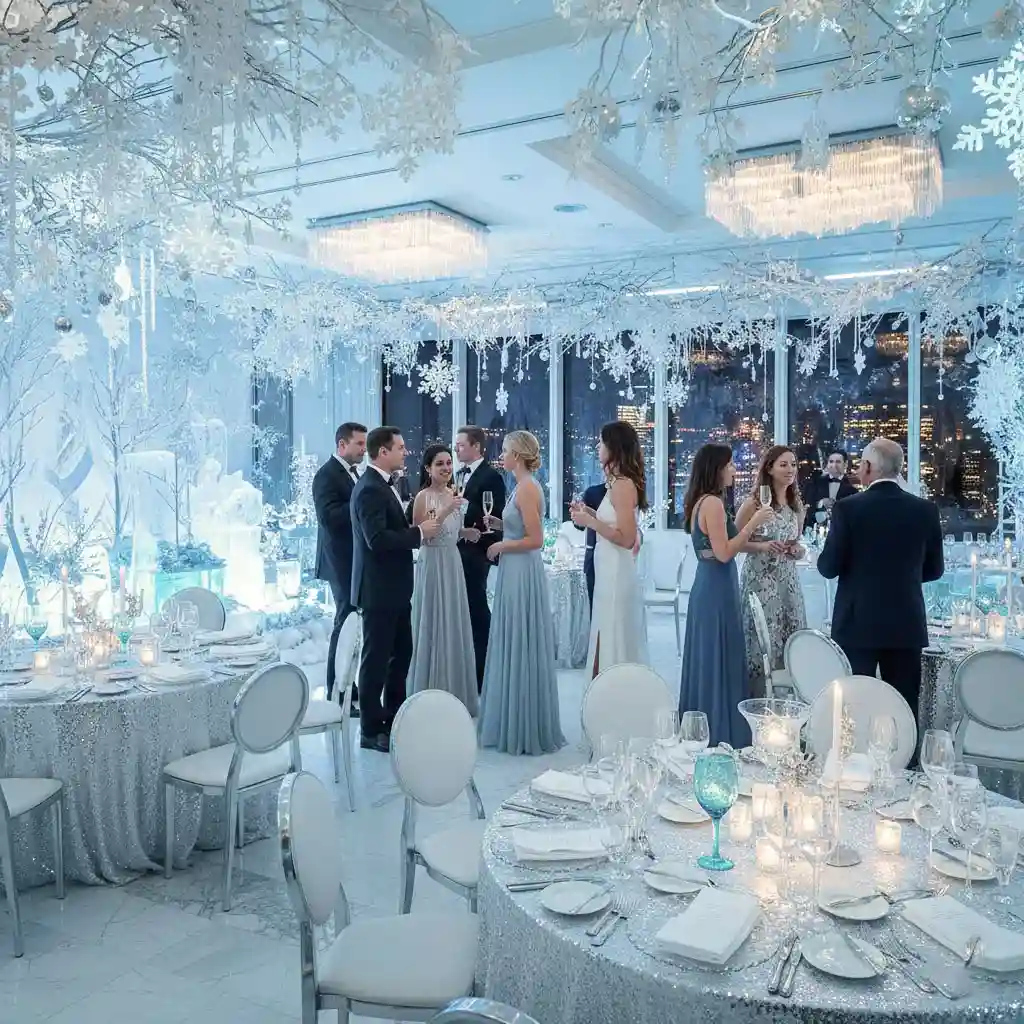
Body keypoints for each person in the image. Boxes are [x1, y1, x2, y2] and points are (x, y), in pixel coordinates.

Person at [817, 437, 944, 731]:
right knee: (903, 711)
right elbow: (935, 570)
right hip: (906, 623)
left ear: (869, 467)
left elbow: (828, 567)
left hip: (856, 622)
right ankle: (904, 773)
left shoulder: (848, 509)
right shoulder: (925, 510)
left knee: (853, 710)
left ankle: (853, 770)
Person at [351, 426, 442, 752]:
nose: (406, 452)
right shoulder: (370, 490)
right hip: (378, 591)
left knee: (400, 654)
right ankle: (370, 730)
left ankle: (394, 719)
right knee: (376, 661)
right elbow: (376, 540)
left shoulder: (384, 486)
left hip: (395, 589)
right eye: (400, 448)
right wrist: (418, 533)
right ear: (383, 452)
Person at [678, 444, 774, 748]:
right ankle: (720, 733)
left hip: (711, 585)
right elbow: (723, 553)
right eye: (730, 465)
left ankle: (705, 727)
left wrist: (762, 546)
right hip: (716, 589)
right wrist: (754, 524)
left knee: (711, 658)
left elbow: (728, 543)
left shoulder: (703, 501)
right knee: (719, 656)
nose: (734, 469)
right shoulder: (713, 504)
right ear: (716, 469)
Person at [478, 430, 565, 755]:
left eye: (505, 450)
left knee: (519, 638)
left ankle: (521, 723)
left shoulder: (527, 488)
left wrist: (502, 543)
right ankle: (513, 718)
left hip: (521, 569)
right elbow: (522, 529)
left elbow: (536, 540)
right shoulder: (521, 486)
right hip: (515, 569)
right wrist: (500, 526)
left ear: (518, 454)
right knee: (513, 637)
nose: (502, 455)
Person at [570, 420, 648, 674]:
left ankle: (611, 693)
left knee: (612, 633)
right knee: (603, 632)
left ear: (613, 448)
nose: (597, 446)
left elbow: (627, 538)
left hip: (616, 570)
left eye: (601, 442)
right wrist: (590, 513)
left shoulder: (623, 484)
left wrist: (590, 521)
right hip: (606, 567)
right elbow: (612, 521)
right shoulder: (616, 483)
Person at [407, 444, 478, 715]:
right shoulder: (424, 497)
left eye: (449, 463)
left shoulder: (453, 494)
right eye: (440, 464)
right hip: (432, 563)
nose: (447, 468)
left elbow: (449, 532)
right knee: (433, 621)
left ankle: (455, 692)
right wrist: (448, 509)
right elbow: (423, 533)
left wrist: (465, 532)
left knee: (453, 622)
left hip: (452, 561)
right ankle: (429, 694)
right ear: (428, 468)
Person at [736, 445, 807, 696]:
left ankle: (785, 700)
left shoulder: (796, 504)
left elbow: (796, 542)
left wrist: (796, 551)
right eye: (784, 464)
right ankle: (757, 698)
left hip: (786, 580)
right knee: (761, 641)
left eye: (794, 465)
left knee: (790, 637)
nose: (790, 470)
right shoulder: (753, 504)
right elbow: (735, 543)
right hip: (760, 580)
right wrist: (764, 545)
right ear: (770, 468)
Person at [312, 422, 366, 705]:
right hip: (339, 560)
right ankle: (337, 690)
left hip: (352, 560)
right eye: (359, 444)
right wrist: (362, 506)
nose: (364, 450)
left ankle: (348, 684)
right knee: (343, 623)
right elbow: (328, 518)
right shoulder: (327, 475)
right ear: (341, 445)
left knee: (350, 623)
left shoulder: (351, 473)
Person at [454, 425, 507, 691]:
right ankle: (466, 667)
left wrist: (465, 505)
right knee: (463, 610)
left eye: (461, 445)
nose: (456, 449)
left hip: (476, 552)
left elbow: (496, 516)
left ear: (476, 447)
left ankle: (483, 672)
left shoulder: (491, 477)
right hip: (458, 549)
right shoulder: (457, 475)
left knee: (476, 609)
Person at [803, 448, 857, 525]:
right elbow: (806, 505)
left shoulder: (852, 490)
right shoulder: (815, 483)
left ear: (845, 464)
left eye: (838, 462)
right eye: (831, 462)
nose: (834, 465)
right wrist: (820, 503)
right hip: (815, 529)